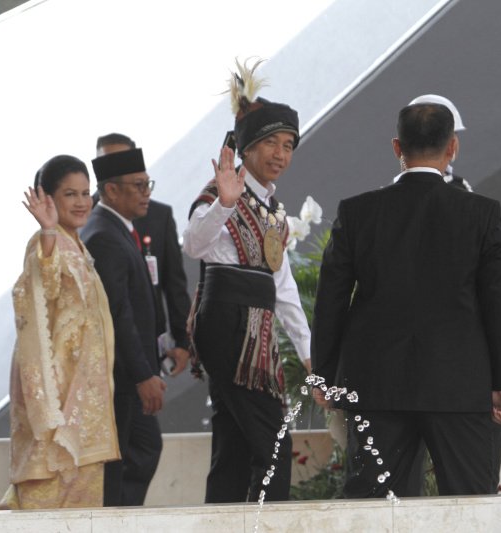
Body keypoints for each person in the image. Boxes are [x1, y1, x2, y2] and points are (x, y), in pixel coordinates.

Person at [311, 103, 501, 498]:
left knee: (376, 512)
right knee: (470, 508)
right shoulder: (482, 213)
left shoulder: (357, 213)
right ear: (452, 147)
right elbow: (496, 301)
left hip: (376, 386)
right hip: (459, 385)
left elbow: (331, 299)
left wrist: (323, 374)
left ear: (397, 147)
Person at [182, 59, 312, 503]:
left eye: (289, 145)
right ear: (248, 147)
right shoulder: (223, 191)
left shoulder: (273, 209)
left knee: (235, 448)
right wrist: (223, 203)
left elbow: (282, 282)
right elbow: (194, 245)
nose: (281, 154)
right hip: (228, 324)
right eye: (271, 142)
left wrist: (307, 347)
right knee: (274, 444)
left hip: (252, 325)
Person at [0, 155, 120, 509]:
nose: (82, 202)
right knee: (46, 499)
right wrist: (49, 230)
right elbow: (45, 281)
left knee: (82, 504)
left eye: (85, 193)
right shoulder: (45, 241)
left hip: (83, 394)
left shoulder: (78, 245)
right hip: (56, 393)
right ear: (48, 200)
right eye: (70, 194)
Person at [82, 148, 163, 506]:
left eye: (148, 184)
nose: (147, 192)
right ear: (111, 191)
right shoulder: (103, 234)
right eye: (138, 185)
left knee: (144, 447)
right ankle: (114, 519)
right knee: (123, 458)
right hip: (120, 376)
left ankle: (122, 516)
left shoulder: (120, 229)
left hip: (131, 373)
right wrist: (143, 373)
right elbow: (118, 314)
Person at [95, 133, 191, 376]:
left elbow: (175, 284)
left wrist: (183, 341)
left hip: (154, 342)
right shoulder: (90, 221)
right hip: (113, 355)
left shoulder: (159, 216)